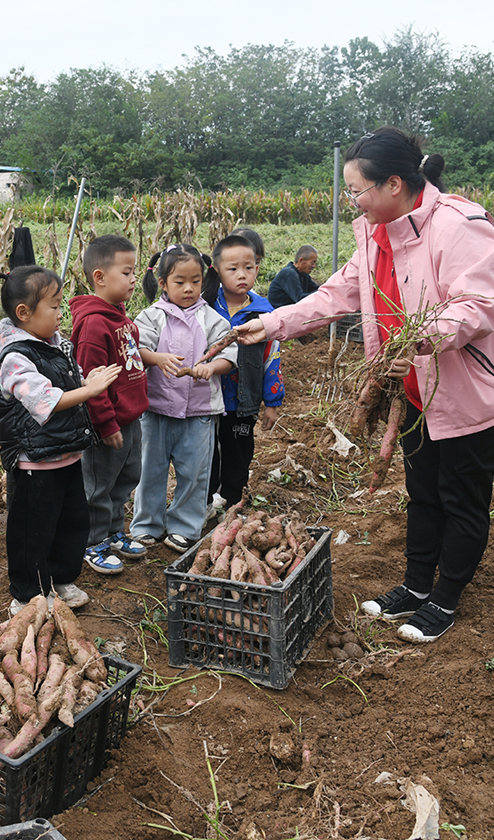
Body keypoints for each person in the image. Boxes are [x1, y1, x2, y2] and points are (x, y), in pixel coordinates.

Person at [238, 126, 494, 644]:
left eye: (357, 190)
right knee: (422, 493)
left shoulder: (459, 227)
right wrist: (271, 324)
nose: (351, 200)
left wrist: (416, 341)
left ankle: (445, 599)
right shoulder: (377, 232)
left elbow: (478, 306)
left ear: (394, 184)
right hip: (413, 391)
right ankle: (418, 585)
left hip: (465, 388)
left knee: (462, 497)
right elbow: (336, 293)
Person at [0, 265, 121, 615]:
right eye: (55, 306)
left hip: (66, 453)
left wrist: (85, 381)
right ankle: (28, 593)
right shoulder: (16, 357)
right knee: (33, 529)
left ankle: (60, 578)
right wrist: (87, 390)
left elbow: (68, 387)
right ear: (24, 313)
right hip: (35, 459)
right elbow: (44, 401)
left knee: (71, 522)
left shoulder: (54, 344)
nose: (62, 314)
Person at [130, 244, 237, 553]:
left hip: (200, 411)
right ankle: (147, 524)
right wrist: (157, 358)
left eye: (195, 280)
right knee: (150, 469)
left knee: (195, 473)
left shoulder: (212, 319)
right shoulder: (151, 317)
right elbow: (139, 349)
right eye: (180, 282)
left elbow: (228, 353)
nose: (189, 288)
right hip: (156, 409)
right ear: (163, 283)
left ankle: (184, 526)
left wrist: (210, 367)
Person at [70, 235, 150, 574]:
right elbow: (92, 380)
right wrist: (105, 424)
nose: (134, 280)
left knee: (127, 476)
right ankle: (92, 541)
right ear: (99, 277)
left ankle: (114, 530)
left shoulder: (119, 316)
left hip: (129, 417)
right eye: (127, 273)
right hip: (107, 423)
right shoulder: (93, 324)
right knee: (98, 484)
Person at [203, 234, 284, 512]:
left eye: (248, 268)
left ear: (257, 269)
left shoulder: (264, 314)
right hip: (206, 401)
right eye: (233, 269)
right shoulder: (205, 308)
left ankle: (232, 504)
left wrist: (272, 403)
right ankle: (205, 505)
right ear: (217, 271)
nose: (242, 275)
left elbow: (272, 360)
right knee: (206, 455)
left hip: (242, 401)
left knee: (238, 455)